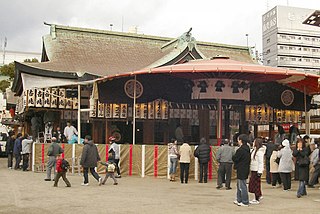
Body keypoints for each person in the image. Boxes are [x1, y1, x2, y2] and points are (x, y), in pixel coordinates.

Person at [232, 134, 251, 207]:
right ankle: (239, 199)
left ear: (241, 140)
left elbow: (235, 158)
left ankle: (245, 201)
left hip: (241, 169)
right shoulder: (247, 149)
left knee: (242, 185)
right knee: (239, 185)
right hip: (245, 168)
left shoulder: (240, 150)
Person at [248, 137, 266, 205]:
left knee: (256, 184)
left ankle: (257, 198)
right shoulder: (254, 150)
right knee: (253, 184)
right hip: (253, 169)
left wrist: (260, 171)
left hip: (256, 170)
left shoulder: (260, 152)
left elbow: (261, 162)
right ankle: (258, 195)